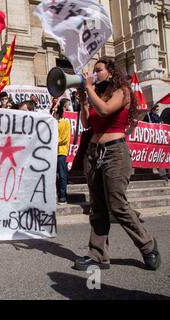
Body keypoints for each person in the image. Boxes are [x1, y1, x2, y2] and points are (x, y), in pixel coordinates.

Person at [74, 59, 160, 271]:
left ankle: (148, 246)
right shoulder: (98, 94)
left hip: (114, 152)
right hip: (94, 153)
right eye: (93, 71)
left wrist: (88, 90)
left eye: (98, 70)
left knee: (118, 205)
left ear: (111, 73)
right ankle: (97, 255)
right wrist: (85, 101)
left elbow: (104, 110)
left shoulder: (122, 91)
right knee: (97, 207)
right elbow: (87, 123)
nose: (94, 74)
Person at [55, 101, 71, 204]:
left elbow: (64, 139)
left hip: (61, 152)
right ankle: (58, 194)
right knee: (55, 175)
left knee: (62, 175)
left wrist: (53, 141)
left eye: (55, 112)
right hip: (53, 152)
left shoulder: (65, 122)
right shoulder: (53, 123)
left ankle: (63, 196)